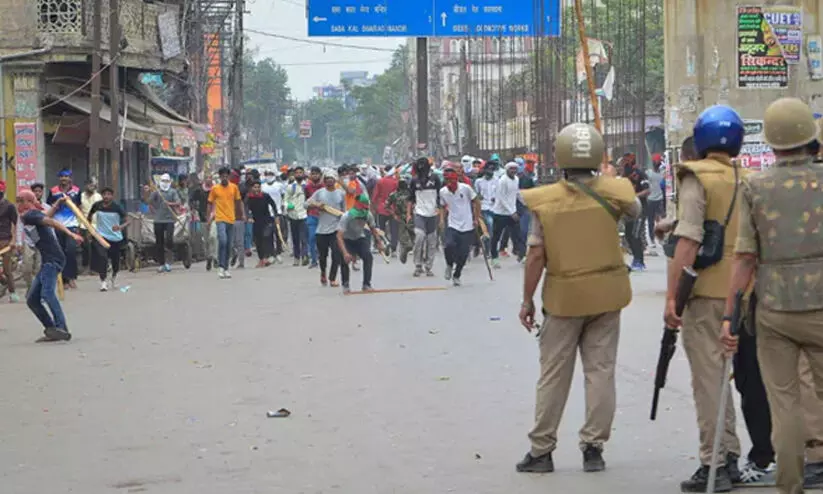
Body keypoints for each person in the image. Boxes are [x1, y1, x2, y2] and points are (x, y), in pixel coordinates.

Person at [516, 123, 641, 475]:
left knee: (553, 375)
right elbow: (636, 213)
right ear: (599, 156)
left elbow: (536, 255)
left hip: (563, 298)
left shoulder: (544, 200)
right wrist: (609, 179)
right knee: (600, 372)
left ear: (559, 157)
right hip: (607, 294)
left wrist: (527, 300)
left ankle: (541, 450)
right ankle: (593, 448)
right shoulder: (617, 191)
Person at [721, 97, 823, 494]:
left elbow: (745, 257)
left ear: (771, 143)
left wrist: (730, 315)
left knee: (784, 404)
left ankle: (790, 484)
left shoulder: (755, 187)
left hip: (776, 309)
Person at [664, 105, 747, 493]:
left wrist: (672, 297)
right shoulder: (746, 177)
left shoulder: (695, 177)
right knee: (723, 377)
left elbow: (690, 239)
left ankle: (712, 462)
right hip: (744, 292)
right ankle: (729, 452)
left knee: (708, 379)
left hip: (706, 292)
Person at [17, 190, 84, 342]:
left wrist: (71, 234)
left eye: (22, 201)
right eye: (17, 200)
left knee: (47, 294)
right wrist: (57, 204)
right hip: (49, 259)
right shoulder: (31, 216)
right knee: (32, 299)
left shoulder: (30, 215)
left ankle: (62, 328)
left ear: (29, 202)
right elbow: (48, 217)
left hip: (52, 260)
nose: (19, 204)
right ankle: (52, 329)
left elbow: (52, 222)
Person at [439, 166, 479, 286]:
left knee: (463, 254)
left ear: (456, 179)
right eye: (447, 180)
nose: (449, 182)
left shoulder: (465, 189)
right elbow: (442, 206)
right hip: (453, 224)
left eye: (451, 180)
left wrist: (476, 218)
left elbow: (476, 201)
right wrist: (441, 219)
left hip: (467, 225)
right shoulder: (443, 192)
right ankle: (449, 264)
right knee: (448, 245)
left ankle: (457, 275)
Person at [337, 193, 384, 293]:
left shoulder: (367, 214)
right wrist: (345, 253)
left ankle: (366, 284)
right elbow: (339, 236)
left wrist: (379, 242)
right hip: (346, 239)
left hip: (359, 238)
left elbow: (373, 229)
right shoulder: (347, 216)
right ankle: (345, 284)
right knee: (345, 260)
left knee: (368, 257)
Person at [307, 169, 347, 287]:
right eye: (327, 179)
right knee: (323, 256)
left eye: (331, 179)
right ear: (324, 181)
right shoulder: (319, 193)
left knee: (336, 255)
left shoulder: (341, 194)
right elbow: (306, 204)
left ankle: (332, 278)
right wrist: (316, 205)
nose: (329, 181)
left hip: (336, 229)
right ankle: (323, 273)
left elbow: (344, 212)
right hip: (322, 229)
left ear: (335, 180)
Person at [46, 168, 82, 289]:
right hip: (57, 225)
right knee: (60, 252)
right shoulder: (53, 191)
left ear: (70, 178)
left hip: (72, 225)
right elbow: (48, 207)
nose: (64, 179)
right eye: (62, 176)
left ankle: (71, 277)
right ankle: (63, 280)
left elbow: (79, 208)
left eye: (66, 176)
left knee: (71, 251)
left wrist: (80, 225)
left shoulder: (76, 191)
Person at [87, 187, 129, 291]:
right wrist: (90, 229)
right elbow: (89, 216)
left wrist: (120, 227)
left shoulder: (117, 207)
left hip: (115, 237)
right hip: (101, 236)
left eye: (108, 194)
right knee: (102, 257)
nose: (106, 196)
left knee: (115, 261)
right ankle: (103, 282)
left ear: (112, 196)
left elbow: (128, 221)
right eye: (104, 194)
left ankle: (113, 277)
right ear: (101, 195)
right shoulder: (97, 205)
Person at [408, 157, 442, 277]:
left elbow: (440, 195)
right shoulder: (414, 180)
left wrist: (440, 211)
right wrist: (408, 214)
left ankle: (428, 266)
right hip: (419, 213)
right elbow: (411, 199)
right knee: (419, 237)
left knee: (432, 241)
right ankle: (418, 265)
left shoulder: (435, 178)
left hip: (433, 213)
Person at [208, 167, 244, 279]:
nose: (224, 178)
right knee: (222, 241)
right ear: (220, 177)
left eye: (226, 176)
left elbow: (238, 202)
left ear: (229, 177)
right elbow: (209, 203)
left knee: (229, 244)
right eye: (222, 176)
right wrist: (208, 217)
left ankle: (226, 268)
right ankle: (220, 267)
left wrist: (242, 214)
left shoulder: (234, 188)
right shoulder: (215, 189)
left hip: (231, 218)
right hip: (219, 218)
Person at [142, 173, 182, 273]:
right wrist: (146, 192)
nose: (165, 183)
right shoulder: (157, 192)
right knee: (159, 242)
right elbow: (148, 201)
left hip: (169, 220)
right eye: (163, 181)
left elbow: (178, 202)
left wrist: (170, 204)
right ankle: (161, 263)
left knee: (169, 240)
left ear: (169, 182)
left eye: (166, 181)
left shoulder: (172, 192)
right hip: (158, 220)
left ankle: (169, 262)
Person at [490, 162, 523, 267]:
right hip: (500, 213)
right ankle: (494, 258)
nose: (513, 171)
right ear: (507, 170)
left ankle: (521, 254)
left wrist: (526, 203)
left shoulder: (516, 179)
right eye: (511, 169)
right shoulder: (502, 181)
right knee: (496, 236)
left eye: (515, 169)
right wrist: (511, 212)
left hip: (512, 212)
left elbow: (517, 193)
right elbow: (502, 198)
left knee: (518, 234)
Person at [17, 183, 49, 292]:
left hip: (42, 242)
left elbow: (51, 225)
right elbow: (20, 225)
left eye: (40, 191)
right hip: (28, 241)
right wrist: (19, 242)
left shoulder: (45, 208)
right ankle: (30, 287)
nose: (38, 193)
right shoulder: (23, 208)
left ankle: (38, 290)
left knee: (39, 268)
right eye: (35, 191)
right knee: (26, 269)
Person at [622, 155, 649, 271]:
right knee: (628, 235)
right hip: (629, 210)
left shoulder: (641, 174)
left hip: (640, 209)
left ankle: (639, 261)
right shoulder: (624, 176)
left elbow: (647, 190)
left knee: (635, 235)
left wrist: (634, 196)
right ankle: (635, 258)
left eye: (625, 160)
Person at [245, 181, 277, 268]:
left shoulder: (265, 196)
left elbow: (273, 204)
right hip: (255, 221)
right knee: (258, 241)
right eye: (255, 187)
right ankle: (261, 259)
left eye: (258, 187)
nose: (256, 189)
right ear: (252, 188)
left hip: (266, 220)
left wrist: (276, 215)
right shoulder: (249, 197)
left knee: (265, 237)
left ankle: (267, 257)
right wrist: (249, 216)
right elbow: (246, 208)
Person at [385, 173, 415, 264]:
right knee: (405, 241)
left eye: (404, 183)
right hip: (400, 218)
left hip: (411, 217)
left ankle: (406, 250)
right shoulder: (393, 194)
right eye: (401, 183)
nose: (402, 185)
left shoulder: (411, 193)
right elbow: (386, 205)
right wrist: (393, 214)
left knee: (415, 238)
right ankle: (404, 252)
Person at [284, 165, 309, 266]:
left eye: (300, 173)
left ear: (303, 174)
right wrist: (288, 206)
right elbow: (285, 200)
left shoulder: (306, 186)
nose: (299, 174)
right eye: (297, 173)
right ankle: (296, 257)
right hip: (293, 215)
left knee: (304, 237)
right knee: (295, 238)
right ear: (294, 175)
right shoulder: (291, 187)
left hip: (304, 214)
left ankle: (305, 256)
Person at [372, 165, 399, 256]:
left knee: (381, 229)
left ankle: (384, 243)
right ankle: (394, 249)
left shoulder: (380, 181)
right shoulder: (396, 182)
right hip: (394, 209)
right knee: (394, 230)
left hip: (381, 208)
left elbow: (375, 196)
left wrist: (374, 208)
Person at [0, 179, 19, 303]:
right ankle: (5, 283)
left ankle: (13, 293)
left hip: (6, 240)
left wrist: (14, 240)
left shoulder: (9, 206)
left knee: (7, 269)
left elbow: (15, 224)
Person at [474, 161, 498, 256]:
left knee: (492, 231)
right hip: (483, 208)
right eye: (488, 170)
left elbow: (499, 193)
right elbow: (475, 194)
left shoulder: (497, 180)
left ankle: (490, 248)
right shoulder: (479, 181)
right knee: (489, 227)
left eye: (491, 170)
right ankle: (487, 249)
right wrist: (478, 196)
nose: (489, 172)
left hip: (494, 208)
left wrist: (496, 198)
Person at [262, 170, 286, 261]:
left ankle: (278, 252)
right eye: (267, 174)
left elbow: (284, 196)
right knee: (268, 235)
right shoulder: (263, 187)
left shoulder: (279, 185)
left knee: (278, 234)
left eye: (270, 174)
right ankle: (271, 253)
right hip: (267, 214)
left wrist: (282, 208)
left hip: (278, 213)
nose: (269, 176)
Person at [79, 179, 101, 274]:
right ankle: (86, 266)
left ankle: (95, 268)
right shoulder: (81, 196)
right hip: (84, 224)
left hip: (97, 224)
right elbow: (78, 209)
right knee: (86, 246)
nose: (92, 186)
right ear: (86, 185)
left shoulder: (98, 196)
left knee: (96, 246)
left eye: (93, 185)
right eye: (90, 184)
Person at [304, 166, 324, 268]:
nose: (314, 175)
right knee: (311, 238)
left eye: (316, 174)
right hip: (312, 215)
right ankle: (314, 260)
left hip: (323, 216)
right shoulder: (307, 187)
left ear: (320, 175)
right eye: (313, 174)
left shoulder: (324, 187)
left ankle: (322, 256)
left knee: (321, 239)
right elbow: (306, 201)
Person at [646, 154, 665, 247]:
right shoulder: (648, 173)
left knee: (660, 220)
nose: (659, 163)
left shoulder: (662, 173)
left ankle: (660, 238)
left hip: (659, 198)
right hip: (650, 199)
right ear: (654, 162)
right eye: (657, 161)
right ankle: (652, 239)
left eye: (660, 161)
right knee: (650, 221)